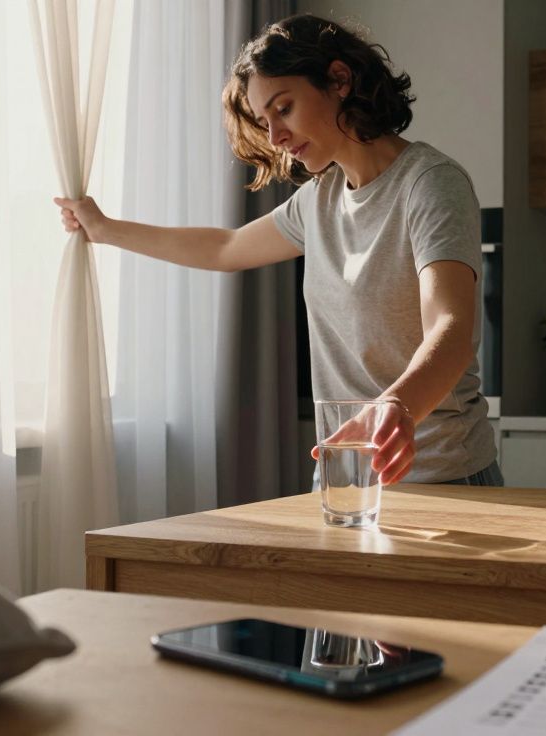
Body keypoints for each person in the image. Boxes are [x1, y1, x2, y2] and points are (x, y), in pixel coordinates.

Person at [54, 14, 501, 487]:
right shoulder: (319, 199)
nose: (275, 138)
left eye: (283, 109)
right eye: (265, 121)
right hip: (343, 478)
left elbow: (450, 325)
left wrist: (394, 407)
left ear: (339, 80)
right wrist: (105, 229)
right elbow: (225, 248)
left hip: (442, 477)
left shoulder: (429, 185)